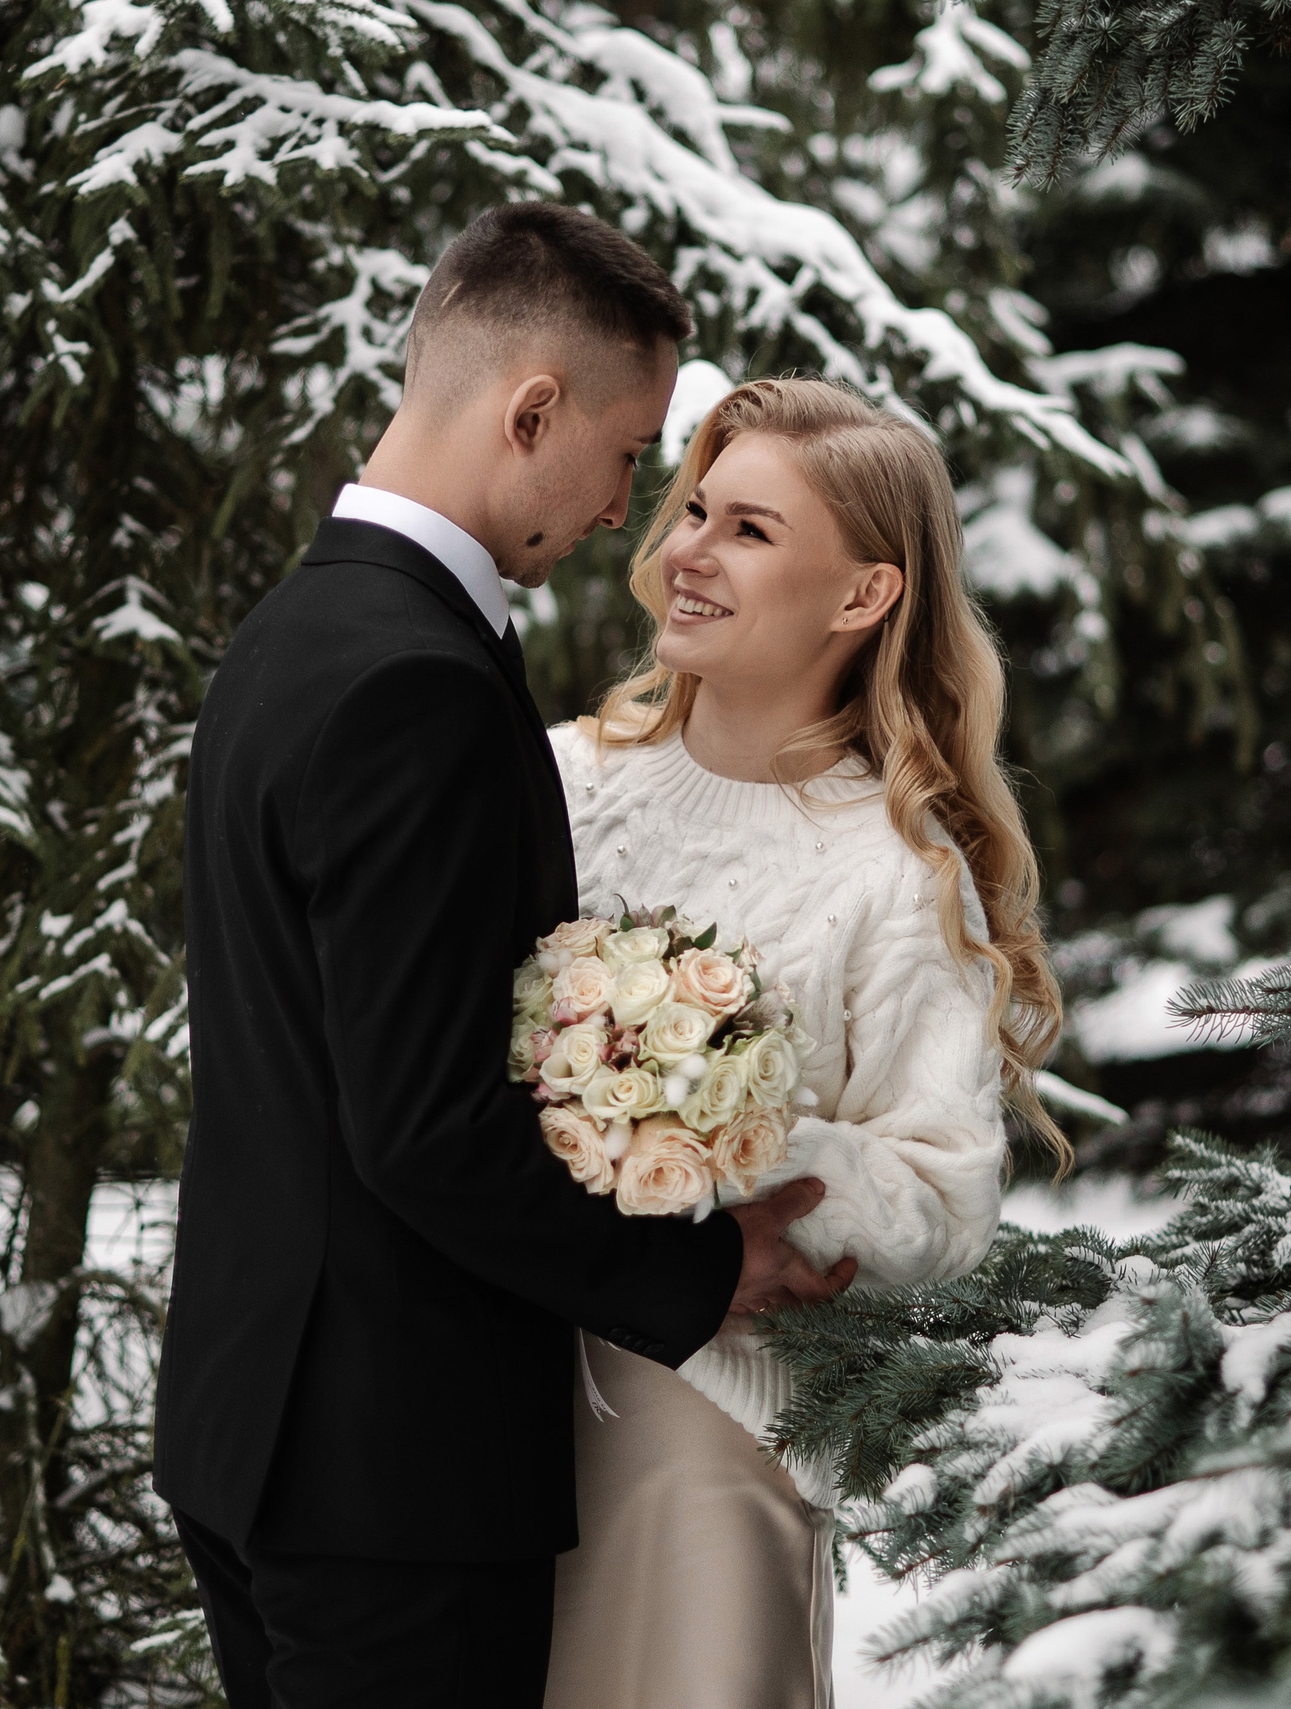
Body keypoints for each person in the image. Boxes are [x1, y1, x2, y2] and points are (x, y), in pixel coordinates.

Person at [154, 207, 855, 1709]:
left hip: (252, 1422)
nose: (625, 511)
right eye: (624, 451)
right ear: (532, 410)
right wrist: (698, 1262)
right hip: (389, 1478)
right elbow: (422, 1128)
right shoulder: (418, 684)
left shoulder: (293, 632)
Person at [541, 376, 1071, 1708]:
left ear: (864, 596)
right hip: (478, 1408)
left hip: (702, 1443)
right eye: (695, 510)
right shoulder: (554, 781)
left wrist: (729, 1120)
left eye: (752, 532)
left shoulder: (896, 875)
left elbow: (942, 1201)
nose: (687, 552)